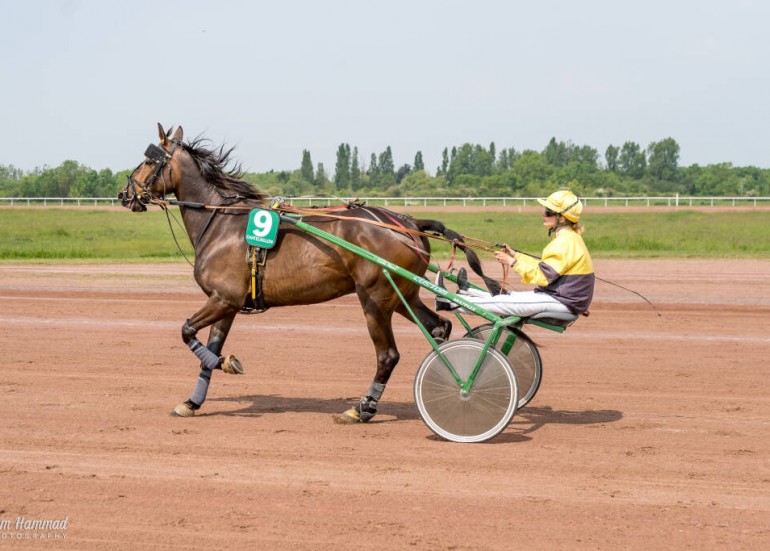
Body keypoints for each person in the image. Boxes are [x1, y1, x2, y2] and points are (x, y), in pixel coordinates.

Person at [436, 190, 594, 318]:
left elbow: (542, 277)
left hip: (562, 301)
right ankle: (467, 292)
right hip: (562, 298)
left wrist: (512, 262)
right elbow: (544, 268)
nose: (543, 214)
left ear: (562, 218)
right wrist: (516, 255)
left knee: (503, 304)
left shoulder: (565, 242)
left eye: (548, 212)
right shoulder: (569, 238)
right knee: (507, 298)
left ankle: (448, 302)